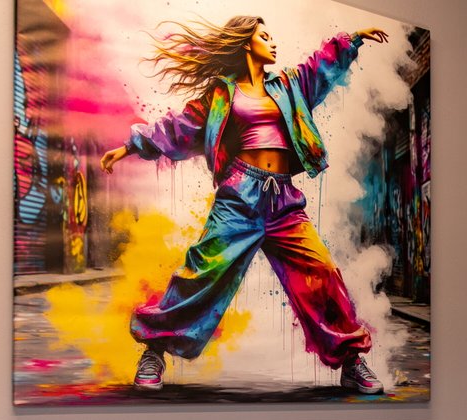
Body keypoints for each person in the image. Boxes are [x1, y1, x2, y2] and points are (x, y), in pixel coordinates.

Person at [100, 15, 389, 393]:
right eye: (264, 36)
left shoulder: (288, 86)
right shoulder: (221, 97)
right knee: (202, 273)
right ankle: (154, 351)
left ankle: (351, 362)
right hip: (239, 197)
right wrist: (130, 146)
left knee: (320, 273)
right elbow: (177, 127)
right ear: (246, 44)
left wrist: (351, 41)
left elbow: (319, 67)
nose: (272, 42)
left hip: (283, 200)